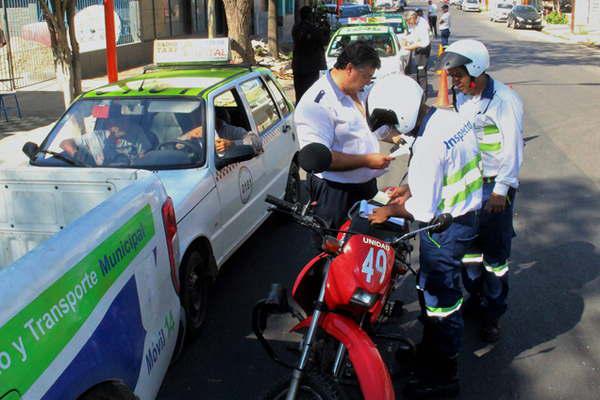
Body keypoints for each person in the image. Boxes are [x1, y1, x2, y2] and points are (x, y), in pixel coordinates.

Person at [367, 74, 482, 398]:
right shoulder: (446, 118)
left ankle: (444, 375)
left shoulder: (428, 146)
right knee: (429, 290)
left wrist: (388, 211)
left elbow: (424, 211)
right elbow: (443, 171)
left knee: (440, 300)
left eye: (390, 125)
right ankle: (430, 352)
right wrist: (408, 187)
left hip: (446, 227)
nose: (391, 134)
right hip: (465, 216)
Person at [437, 39, 524, 343]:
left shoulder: (504, 100)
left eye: (458, 75)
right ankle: (475, 299)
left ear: (475, 70)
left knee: (495, 257)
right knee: (470, 254)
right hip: (470, 186)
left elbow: (513, 149)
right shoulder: (463, 98)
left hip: (494, 188)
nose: (454, 82)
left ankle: (493, 313)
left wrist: (501, 189)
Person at [294, 41, 393, 229]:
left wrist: (397, 137)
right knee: (337, 249)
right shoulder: (317, 104)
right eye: (366, 77)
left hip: (365, 185)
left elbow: (371, 125)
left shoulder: (359, 90)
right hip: (334, 192)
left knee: (367, 244)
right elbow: (321, 158)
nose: (367, 83)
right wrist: (367, 161)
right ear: (349, 69)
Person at [60, 117, 151, 165]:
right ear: (109, 124)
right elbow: (65, 143)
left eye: (124, 120)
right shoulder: (96, 136)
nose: (122, 124)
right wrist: (75, 154)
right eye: (117, 122)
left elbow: (145, 157)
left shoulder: (136, 132)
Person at [292, 6, 330, 105]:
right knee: (310, 95)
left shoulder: (296, 28)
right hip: (312, 68)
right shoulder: (313, 29)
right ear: (310, 16)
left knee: (299, 95)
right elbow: (325, 41)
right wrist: (326, 29)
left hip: (298, 67)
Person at [403, 10, 431, 94]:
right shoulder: (417, 24)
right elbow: (415, 36)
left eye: (408, 21)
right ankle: (420, 91)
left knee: (421, 72)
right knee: (419, 71)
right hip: (419, 49)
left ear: (412, 18)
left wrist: (410, 47)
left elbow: (424, 42)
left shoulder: (422, 24)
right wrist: (406, 39)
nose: (408, 23)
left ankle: (423, 93)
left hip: (423, 50)